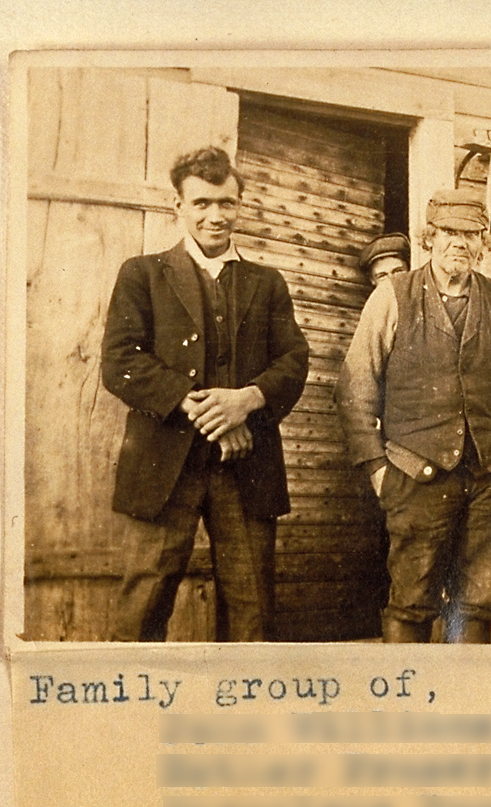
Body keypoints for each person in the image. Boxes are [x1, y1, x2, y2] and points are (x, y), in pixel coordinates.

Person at [101, 146, 310, 641]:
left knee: (251, 604)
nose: (216, 216)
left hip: (245, 465)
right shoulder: (143, 274)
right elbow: (119, 362)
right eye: (201, 204)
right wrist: (200, 406)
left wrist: (248, 401)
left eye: (226, 203)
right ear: (179, 205)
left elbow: (294, 361)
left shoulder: (267, 282)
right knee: (144, 599)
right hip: (162, 464)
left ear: (240, 204)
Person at [335, 187, 491, 644]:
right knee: (411, 598)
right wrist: (377, 469)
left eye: (471, 234)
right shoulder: (393, 295)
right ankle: (409, 703)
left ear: (483, 244)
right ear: (429, 237)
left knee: (478, 600)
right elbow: (355, 388)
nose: (459, 243)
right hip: (416, 474)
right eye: (449, 232)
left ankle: (465, 701)